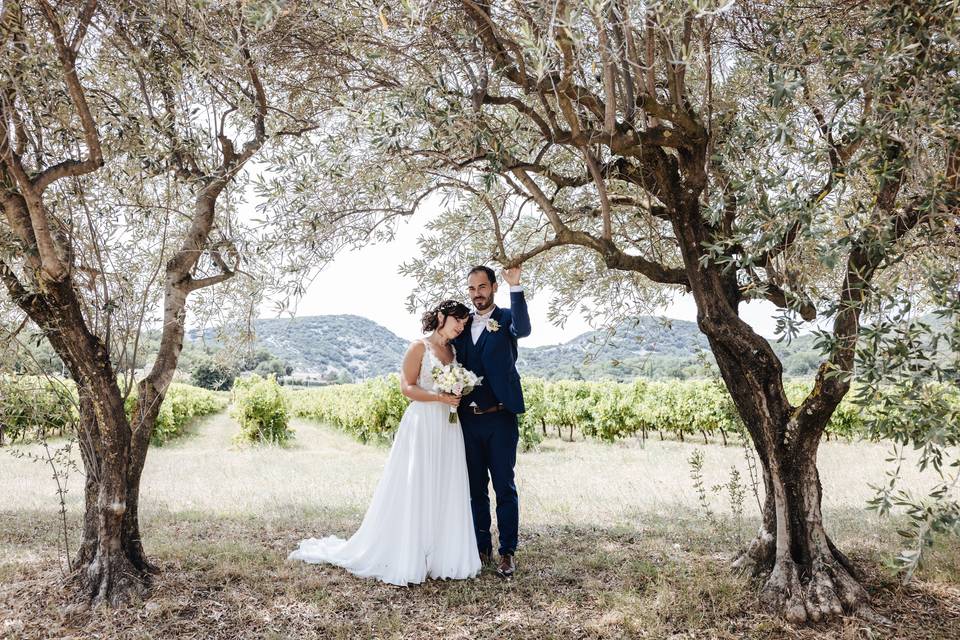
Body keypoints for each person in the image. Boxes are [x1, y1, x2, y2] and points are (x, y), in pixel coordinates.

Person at [288, 300, 481, 586]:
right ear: (441, 316)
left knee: (444, 482)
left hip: (447, 425)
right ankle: (409, 553)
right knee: (418, 483)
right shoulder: (419, 347)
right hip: (423, 422)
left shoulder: (453, 351)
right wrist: (440, 397)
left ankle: (441, 554)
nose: (461, 326)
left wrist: (455, 392)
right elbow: (407, 388)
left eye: (465, 323)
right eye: (458, 320)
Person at [452, 265, 531, 578]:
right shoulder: (463, 324)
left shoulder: (508, 319)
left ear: (494, 287)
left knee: (504, 487)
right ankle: (480, 547)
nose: (477, 294)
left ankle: (507, 552)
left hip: (500, 418)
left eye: (482, 287)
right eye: (471, 289)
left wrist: (517, 287)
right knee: (475, 489)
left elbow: (524, 329)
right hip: (468, 421)